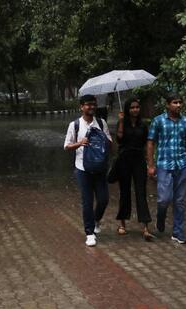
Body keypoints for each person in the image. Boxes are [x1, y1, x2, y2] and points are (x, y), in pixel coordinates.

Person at [146, 93, 186, 244]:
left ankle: (178, 232)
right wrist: (150, 165)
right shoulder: (158, 121)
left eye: (180, 102)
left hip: (181, 165)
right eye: (175, 103)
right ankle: (161, 218)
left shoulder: (185, 122)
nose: (178, 105)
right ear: (168, 105)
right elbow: (150, 143)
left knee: (180, 201)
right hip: (164, 165)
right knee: (164, 199)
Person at [64, 94, 113, 247]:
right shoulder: (75, 125)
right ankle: (89, 233)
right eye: (88, 104)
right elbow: (66, 146)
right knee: (87, 202)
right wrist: (80, 143)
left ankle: (96, 220)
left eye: (93, 104)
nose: (91, 107)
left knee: (103, 199)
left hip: (99, 168)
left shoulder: (101, 122)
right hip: (82, 169)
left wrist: (104, 140)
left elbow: (110, 143)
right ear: (81, 107)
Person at [115, 97, 155, 241]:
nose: (135, 109)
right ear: (127, 109)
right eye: (132, 107)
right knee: (124, 191)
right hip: (124, 159)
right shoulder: (121, 123)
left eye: (137, 107)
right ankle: (122, 224)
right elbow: (119, 139)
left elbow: (147, 143)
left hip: (138, 160)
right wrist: (120, 122)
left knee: (141, 192)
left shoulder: (143, 125)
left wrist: (150, 163)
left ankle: (145, 227)